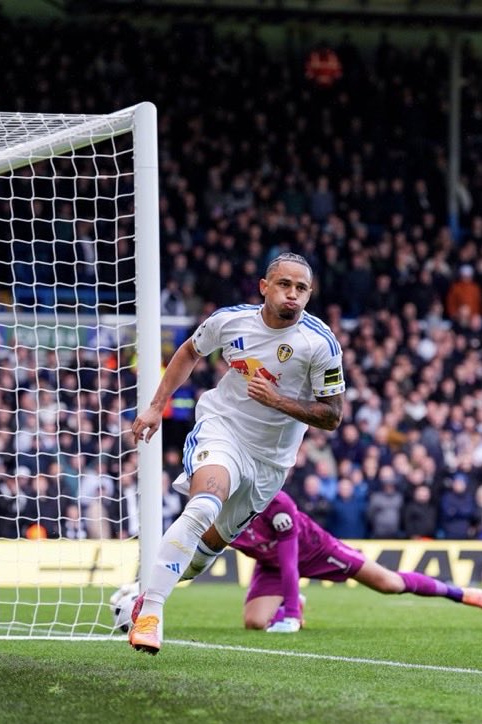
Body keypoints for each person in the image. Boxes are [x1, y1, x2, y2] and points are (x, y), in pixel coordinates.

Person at [129, 253, 345, 653]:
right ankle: (150, 613)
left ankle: (144, 591)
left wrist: (279, 401)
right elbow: (190, 352)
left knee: (200, 559)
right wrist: (157, 405)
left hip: (270, 463)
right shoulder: (229, 321)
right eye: (284, 285)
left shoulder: (320, 344)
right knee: (203, 506)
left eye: (301, 288)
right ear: (264, 286)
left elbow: (332, 416)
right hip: (223, 428)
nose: (292, 295)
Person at [213, 491, 482, 633]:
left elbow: (291, 562)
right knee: (254, 622)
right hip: (271, 563)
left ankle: (459, 593)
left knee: (389, 584)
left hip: (316, 550)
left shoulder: (273, 502)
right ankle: (295, 601)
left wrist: (290, 617)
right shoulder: (216, 520)